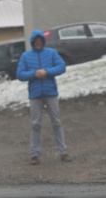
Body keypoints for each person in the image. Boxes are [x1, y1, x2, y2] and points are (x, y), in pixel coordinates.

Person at [16, 29, 72, 165]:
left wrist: (47, 72)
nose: (38, 43)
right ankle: (34, 154)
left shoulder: (51, 53)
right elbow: (20, 74)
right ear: (33, 42)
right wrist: (35, 74)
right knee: (35, 124)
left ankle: (63, 152)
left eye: (40, 41)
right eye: (36, 41)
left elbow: (62, 67)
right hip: (35, 95)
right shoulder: (25, 56)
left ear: (43, 41)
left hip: (51, 92)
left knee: (57, 122)